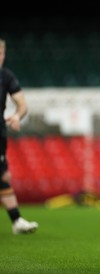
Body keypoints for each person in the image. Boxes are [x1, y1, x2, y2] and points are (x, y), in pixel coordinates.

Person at [0, 38, 39, 234]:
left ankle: (16, 221)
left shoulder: (5, 76)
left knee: (3, 175)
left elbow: (22, 104)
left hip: (0, 134)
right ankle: (16, 220)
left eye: (1, 53)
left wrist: (16, 115)